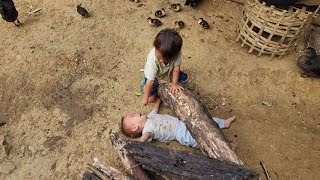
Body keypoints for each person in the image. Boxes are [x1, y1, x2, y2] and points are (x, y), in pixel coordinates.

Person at [121, 99, 237, 149]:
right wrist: (136, 144)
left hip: (182, 122)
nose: (135, 113)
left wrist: (158, 102)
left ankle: (223, 123)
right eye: (132, 116)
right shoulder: (147, 130)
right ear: (135, 127)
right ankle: (225, 145)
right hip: (179, 134)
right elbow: (143, 139)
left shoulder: (150, 117)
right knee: (198, 140)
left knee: (204, 120)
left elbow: (155, 110)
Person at [140, 28, 188, 113]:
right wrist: (145, 97)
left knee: (182, 80)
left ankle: (171, 79)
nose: (160, 61)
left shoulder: (177, 53)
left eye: (164, 59)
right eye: (158, 57)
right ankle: (143, 86)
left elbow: (176, 69)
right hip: (155, 77)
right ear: (155, 46)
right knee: (151, 99)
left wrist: (174, 83)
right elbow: (150, 82)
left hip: (168, 71)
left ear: (174, 55)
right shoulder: (152, 61)